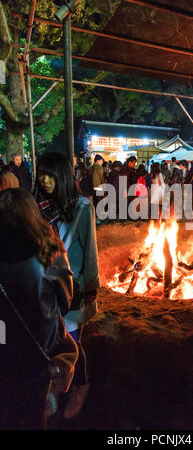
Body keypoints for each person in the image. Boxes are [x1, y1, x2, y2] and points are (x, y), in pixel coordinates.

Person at [0, 188, 77, 429]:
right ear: (33, 214)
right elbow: (66, 300)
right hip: (41, 349)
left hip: (6, 351)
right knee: (35, 415)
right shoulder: (49, 252)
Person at [35, 152, 100, 420]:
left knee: (70, 343)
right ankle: (55, 387)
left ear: (62, 176)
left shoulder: (82, 207)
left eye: (50, 174)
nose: (44, 179)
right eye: (41, 174)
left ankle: (80, 386)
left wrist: (91, 288)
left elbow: (91, 250)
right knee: (49, 341)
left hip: (73, 288)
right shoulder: (37, 209)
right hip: (45, 287)